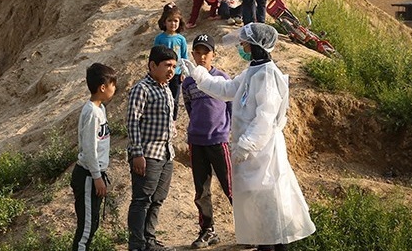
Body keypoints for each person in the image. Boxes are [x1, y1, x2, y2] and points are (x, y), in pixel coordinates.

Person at [179, 23, 316, 250]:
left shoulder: (268, 75)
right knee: (257, 209)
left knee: (271, 207)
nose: (241, 46)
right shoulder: (251, 72)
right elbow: (226, 89)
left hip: (264, 153)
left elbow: (265, 118)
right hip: (251, 155)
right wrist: (199, 74)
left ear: (255, 45)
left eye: (244, 43)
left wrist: (245, 146)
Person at [181, 34, 233, 249]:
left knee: (231, 186)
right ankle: (207, 231)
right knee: (201, 190)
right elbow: (190, 107)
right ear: (193, 55)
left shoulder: (222, 78)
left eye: (206, 52)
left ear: (214, 55)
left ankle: (250, 228)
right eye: (198, 52)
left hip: (219, 141)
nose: (202, 57)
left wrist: (225, 131)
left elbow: (230, 108)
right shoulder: (188, 82)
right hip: (197, 141)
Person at [126, 45, 178, 251]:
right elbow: (132, 122)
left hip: (166, 153)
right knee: (142, 200)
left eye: (173, 66)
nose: (171, 70)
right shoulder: (142, 89)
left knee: (157, 199)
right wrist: (137, 153)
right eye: (167, 65)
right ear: (152, 65)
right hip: (148, 154)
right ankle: (136, 244)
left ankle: (149, 240)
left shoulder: (166, 88)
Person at [71, 63, 118, 251]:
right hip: (88, 176)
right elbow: (90, 149)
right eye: (113, 84)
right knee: (86, 229)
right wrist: (97, 177)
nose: (115, 88)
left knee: (92, 225)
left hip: (93, 175)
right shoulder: (91, 112)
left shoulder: (100, 109)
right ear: (103, 87)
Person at [154, 3, 189, 111]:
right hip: (162, 73)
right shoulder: (159, 38)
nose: (173, 23)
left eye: (175, 21)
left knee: (175, 99)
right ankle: (163, 116)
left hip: (176, 74)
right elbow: (155, 55)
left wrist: (183, 72)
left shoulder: (181, 39)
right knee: (162, 98)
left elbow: (184, 56)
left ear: (180, 22)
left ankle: (173, 118)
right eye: (169, 20)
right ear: (164, 22)